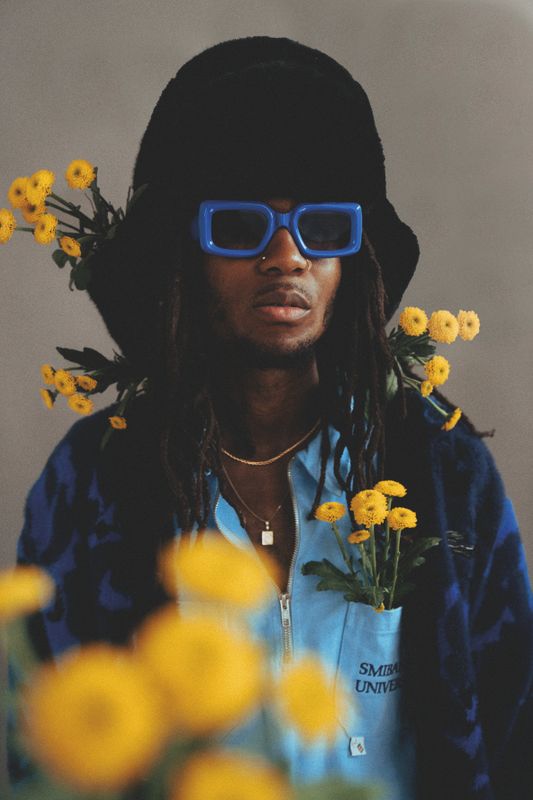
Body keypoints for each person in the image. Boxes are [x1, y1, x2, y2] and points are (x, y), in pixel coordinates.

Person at [8, 36, 533, 799]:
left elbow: (513, 727)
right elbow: (40, 741)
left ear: (352, 260)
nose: (286, 256)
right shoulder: (95, 479)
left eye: (323, 228)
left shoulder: (441, 468)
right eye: (238, 225)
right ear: (184, 255)